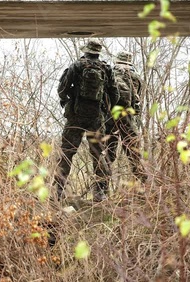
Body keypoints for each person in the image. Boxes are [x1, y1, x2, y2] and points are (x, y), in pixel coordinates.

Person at [54, 40, 119, 202]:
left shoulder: (76, 66)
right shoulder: (106, 68)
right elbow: (115, 94)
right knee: (98, 154)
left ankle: (58, 192)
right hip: (97, 117)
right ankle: (100, 193)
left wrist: (67, 103)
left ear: (86, 51)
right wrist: (105, 111)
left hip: (76, 115)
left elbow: (62, 89)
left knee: (67, 152)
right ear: (98, 53)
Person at [105, 51, 146, 182]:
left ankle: (101, 192)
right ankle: (143, 188)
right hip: (127, 118)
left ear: (117, 61)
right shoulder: (136, 77)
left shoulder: (110, 74)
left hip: (109, 118)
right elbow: (136, 101)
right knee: (134, 153)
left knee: (106, 155)